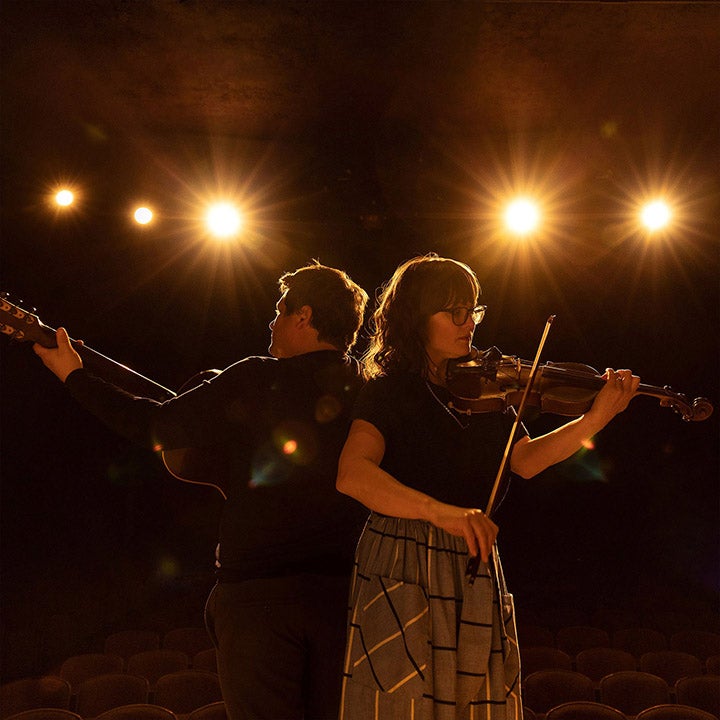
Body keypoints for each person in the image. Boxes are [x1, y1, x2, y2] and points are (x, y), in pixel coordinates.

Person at [34, 262, 370, 720]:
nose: (271, 323)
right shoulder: (370, 392)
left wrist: (74, 375)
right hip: (348, 598)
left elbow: (155, 425)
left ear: (304, 316)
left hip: (259, 599)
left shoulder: (257, 376)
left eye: (279, 311)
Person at [335, 254, 639, 719]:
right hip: (404, 556)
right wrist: (441, 512)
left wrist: (594, 417)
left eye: (473, 310)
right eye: (453, 311)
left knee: (476, 702)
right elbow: (353, 473)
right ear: (416, 317)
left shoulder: (489, 389)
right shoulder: (389, 391)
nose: (468, 324)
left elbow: (526, 461)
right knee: (401, 700)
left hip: (474, 553)